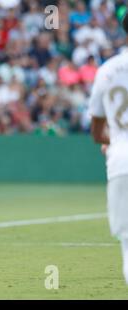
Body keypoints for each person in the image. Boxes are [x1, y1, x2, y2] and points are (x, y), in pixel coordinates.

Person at [89, 14, 128, 285]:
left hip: (121, 161)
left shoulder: (108, 69)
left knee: (127, 242)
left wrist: (110, 142)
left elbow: (96, 129)